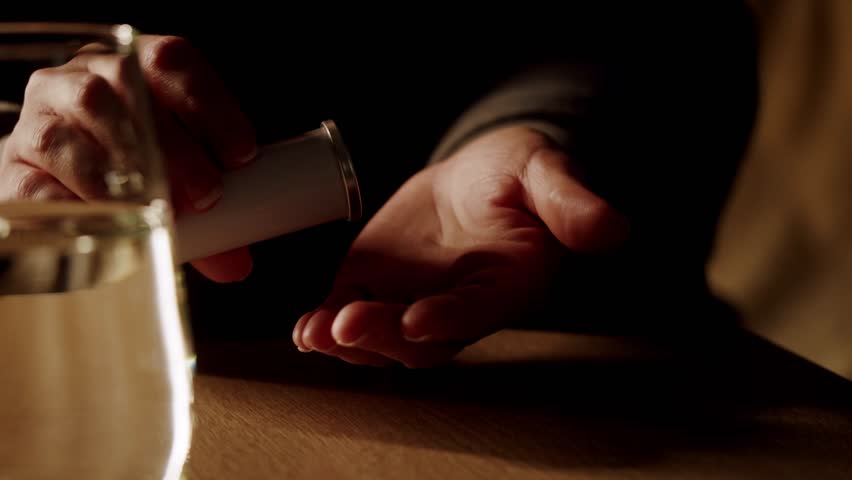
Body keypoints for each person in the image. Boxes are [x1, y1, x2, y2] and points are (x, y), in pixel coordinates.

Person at [0, 3, 758, 367]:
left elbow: (671, 27)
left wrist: (531, 126)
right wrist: (22, 157)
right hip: (111, 367)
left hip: (571, 368)